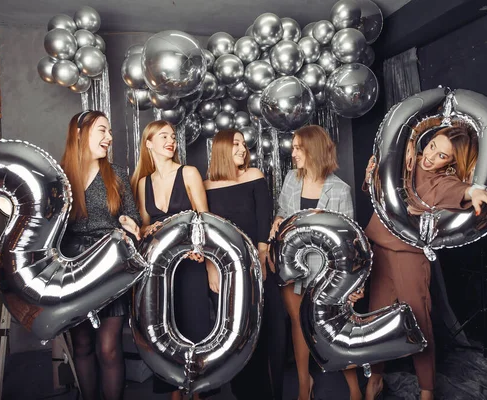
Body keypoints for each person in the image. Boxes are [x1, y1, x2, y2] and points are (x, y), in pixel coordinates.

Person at [362, 124, 487, 400]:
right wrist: (380, 166)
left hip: (410, 254)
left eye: (442, 155)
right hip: (380, 248)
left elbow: (459, 190)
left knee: (419, 322)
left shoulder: (441, 180)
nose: (431, 157)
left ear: (451, 162)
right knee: (376, 319)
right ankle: (375, 379)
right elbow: (378, 187)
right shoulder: (404, 158)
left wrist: (475, 192)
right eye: (432, 146)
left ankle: (427, 391)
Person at [270, 125, 364, 400]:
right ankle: (303, 384)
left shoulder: (339, 190)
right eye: (293, 147)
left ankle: (355, 390)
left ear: (314, 149)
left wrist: (354, 284)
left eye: (299, 147)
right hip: (293, 267)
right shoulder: (290, 178)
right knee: (299, 324)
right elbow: (283, 213)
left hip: (327, 273)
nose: (293, 152)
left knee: (333, 328)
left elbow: (349, 242)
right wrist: (277, 220)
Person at [60, 110, 142, 400]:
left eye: (110, 133)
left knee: (108, 347)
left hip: (109, 267)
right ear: (80, 134)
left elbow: (132, 217)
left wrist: (130, 225)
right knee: (81, 344)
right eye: (102, 131)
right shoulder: (58, 175)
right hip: (71, 268)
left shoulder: (117, 174)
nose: (109, 138)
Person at [130, 120, 213, 400]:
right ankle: (174, 393)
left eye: (173, 136)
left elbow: (205, 219)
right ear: (149, 143)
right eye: (163, 136)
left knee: (195, 326)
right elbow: (143, 228)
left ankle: (198, 391)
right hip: (159, 271)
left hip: (190, 263)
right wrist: (146, 229)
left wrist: (203, 254)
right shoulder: (143, 183)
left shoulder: (189, 173)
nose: (171, 140)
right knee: (163, 329)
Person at [204, 129, 286, 400]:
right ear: (221, 150)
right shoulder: (206, 187)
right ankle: (243, 393)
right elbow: (206, 232)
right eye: (235, 144)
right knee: (235, 333)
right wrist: (210, 267)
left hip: (255, 267)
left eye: (243, 144)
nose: (242, 148)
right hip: (226, 271)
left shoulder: (254, 176)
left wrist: (262, 259)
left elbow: (264, 220)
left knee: (263, 332)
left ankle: (268, 394)